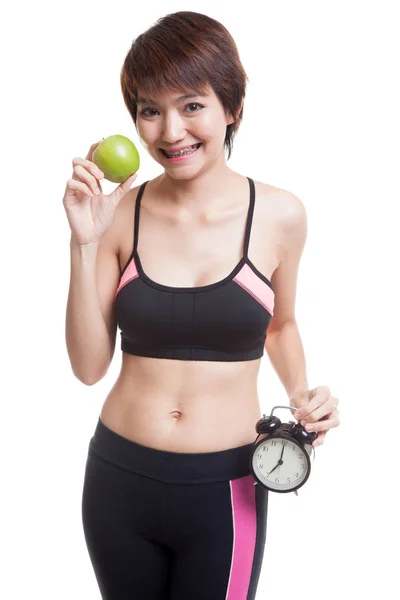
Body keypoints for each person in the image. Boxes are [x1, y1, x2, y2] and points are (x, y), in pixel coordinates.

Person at [63, 10, 340, 600]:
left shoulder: (280, 215)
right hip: (117, 480)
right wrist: (82, 243)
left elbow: (281, 324)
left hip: (226, 486)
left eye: (192, 105)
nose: (170, 131)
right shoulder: (119, 217)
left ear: (231, 107)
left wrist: (301, 397)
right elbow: (88, 369)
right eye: (149, 109)